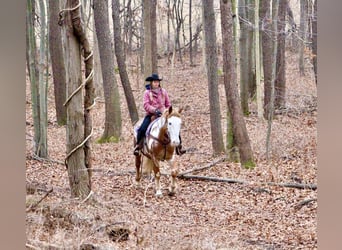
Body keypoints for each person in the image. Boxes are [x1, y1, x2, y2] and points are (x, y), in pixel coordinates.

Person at [133, 73, 186, 156]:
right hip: (151, 115)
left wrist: (169, 111)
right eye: (154, 82)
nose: (156, 83)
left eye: (157, 82)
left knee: (174, 127)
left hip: (164, 114)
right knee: (142, 128)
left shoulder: (163, 92)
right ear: (151, 82)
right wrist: (154, 110)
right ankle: (138, 146)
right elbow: (146, 105)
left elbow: (168, 104)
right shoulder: (147, 93)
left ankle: (179, 147)